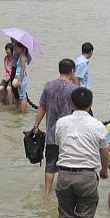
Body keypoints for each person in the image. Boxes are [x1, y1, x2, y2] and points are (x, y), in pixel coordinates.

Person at [53, 88, 108, 218]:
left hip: (64, 174)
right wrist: (104, 171)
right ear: (91, 104)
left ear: (72, 103)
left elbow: (59, 144)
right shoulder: (98, 125)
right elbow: (104, 152)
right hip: (87, 176)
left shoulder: (61, 122)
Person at [32, 58, 77, 195]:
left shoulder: (48, 86)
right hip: (68, 134)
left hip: (52, 133)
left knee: (50, 164)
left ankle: (46, 192)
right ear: (72, 71)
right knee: (68, 164)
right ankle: (64, 193)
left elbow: (41, 108)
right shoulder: (74, 89)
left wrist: (36, 126)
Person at [11, 40, 31, 115]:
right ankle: (22, 111)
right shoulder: (22, 56)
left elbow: (22, 69)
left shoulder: (22, 57)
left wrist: (20, 80)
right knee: (21, 95)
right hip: (21, 77)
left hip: (21, 78)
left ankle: (23, 113)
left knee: (23, 96)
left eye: (17, 48)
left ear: (21, 48)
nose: (16, 49)